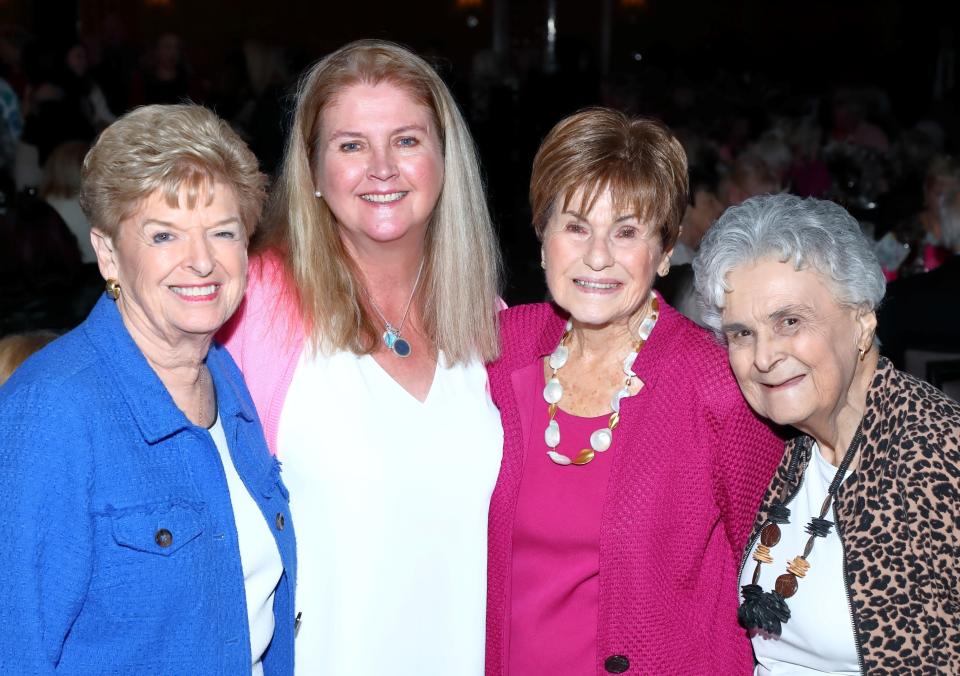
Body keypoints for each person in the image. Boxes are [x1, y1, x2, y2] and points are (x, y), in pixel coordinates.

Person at [219, 40, 503, 675]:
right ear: (314, 173)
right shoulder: (253, 309)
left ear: (444, 159)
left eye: (406, 140)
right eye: (350, 145)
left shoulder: (492, 320)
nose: (382, 168)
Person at [484, 108, 782, 676]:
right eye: (575, 227)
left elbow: (772, 576)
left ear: (667, 252)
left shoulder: (717, 386)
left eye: (627, 232)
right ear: (542, 237)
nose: (598, 256)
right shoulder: (497, 354)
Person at [0, 104, 296, 675]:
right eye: (165, 234)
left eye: (223, 232)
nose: (203, 261)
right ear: (108, 253)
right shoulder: (51, 412)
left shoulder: (226, 378)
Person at [694, 194, 960, 674]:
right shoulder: (781, 448)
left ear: (861, 320)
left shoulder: (938, 456)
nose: (764, 357)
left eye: (789, 322)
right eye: (742, 334)